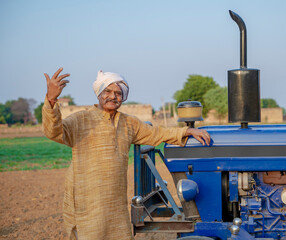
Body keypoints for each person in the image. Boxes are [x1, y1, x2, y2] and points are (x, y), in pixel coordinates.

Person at [42, 67, 211, 240]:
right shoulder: (80, 120)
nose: (113, 96)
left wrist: (187, 131)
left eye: (118, 93)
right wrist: (51, 99)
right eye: (107, 91)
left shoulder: (128, 123)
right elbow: (54, 132)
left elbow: (156, 134)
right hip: (87, 200)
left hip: (115, 201)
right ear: (99, 93)